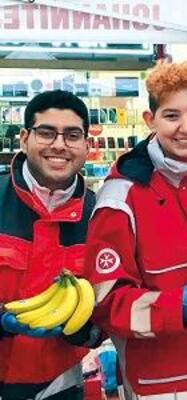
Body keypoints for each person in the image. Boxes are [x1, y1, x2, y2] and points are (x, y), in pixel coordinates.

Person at [83, 60, 187, 399]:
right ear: (150, 119)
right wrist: (172, 308)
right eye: (172, 116)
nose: (186, 127)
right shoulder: (120, 198)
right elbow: (105, 302)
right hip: (162, 386)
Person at [0, 90, 101, 399]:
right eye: (46, 133)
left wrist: (87, 329)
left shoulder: (101, 216)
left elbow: (109, 305)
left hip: (60, 385)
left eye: (72, 135)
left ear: (87, 145)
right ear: (24, 138)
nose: (59, 145)